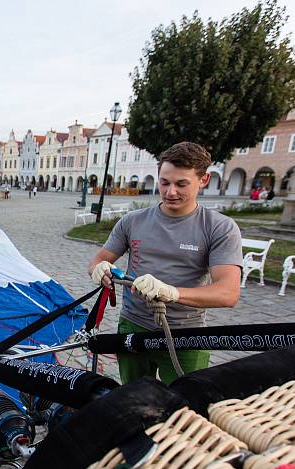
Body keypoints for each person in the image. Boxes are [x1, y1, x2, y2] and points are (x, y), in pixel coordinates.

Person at [87, 142, 243, 385]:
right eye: (164, 182)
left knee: (184, 407)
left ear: (204, 180)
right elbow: (100, 259)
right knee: (133, 398)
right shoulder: (132, 221)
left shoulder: (219, 227)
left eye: (182, 184)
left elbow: (228, 293)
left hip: (185, 335)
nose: (171, 192)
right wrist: (99, 269)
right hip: (133, 327)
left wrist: (171, 292)